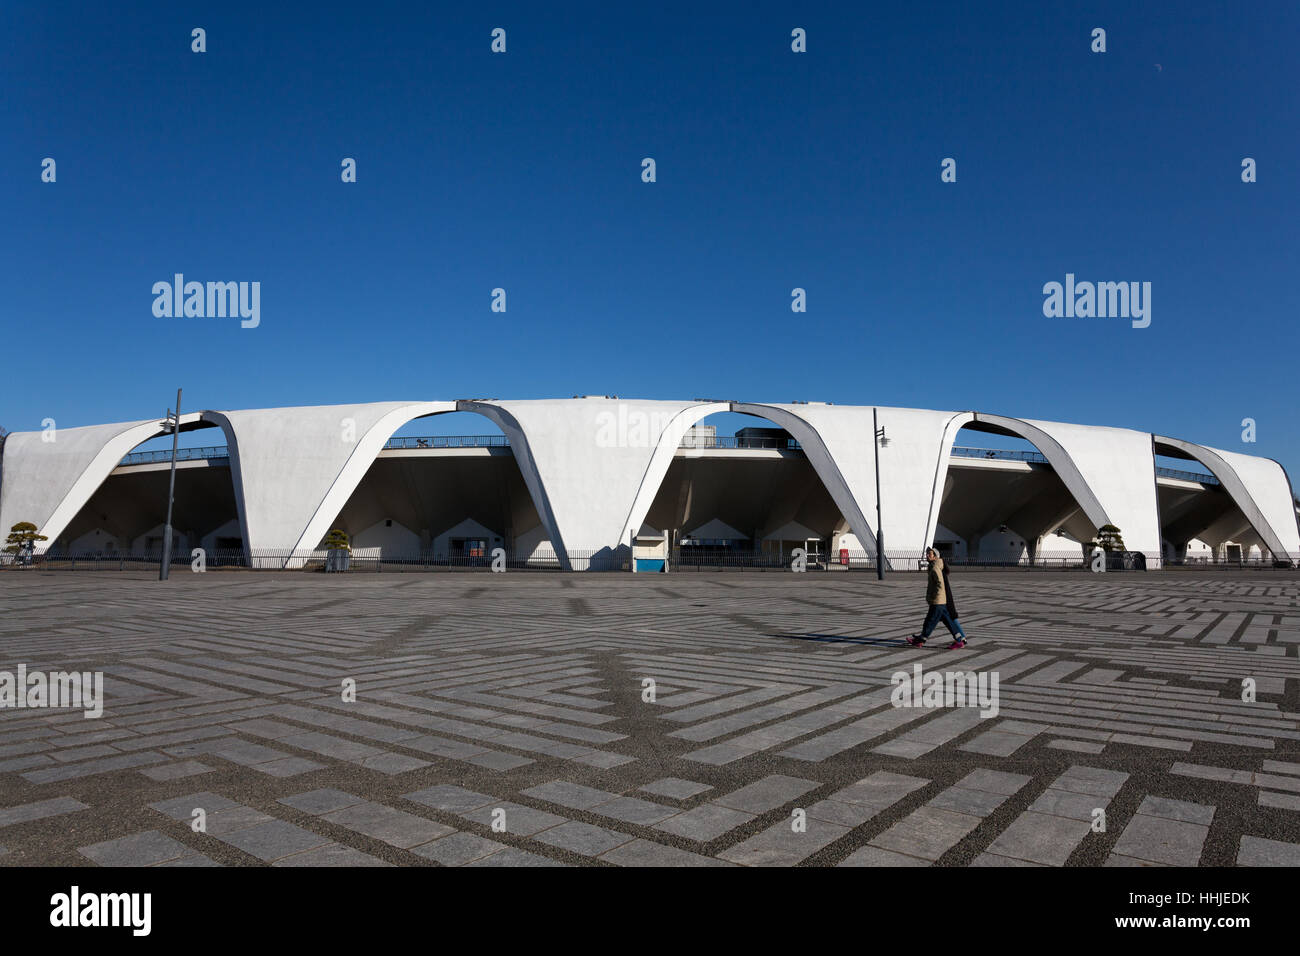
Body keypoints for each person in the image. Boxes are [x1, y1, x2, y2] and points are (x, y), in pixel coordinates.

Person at [906, 546, 967, 648]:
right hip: (940, 601)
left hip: (938, 601)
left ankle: (921, 640)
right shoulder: (934, 566)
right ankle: (959, 640)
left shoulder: (935, 567)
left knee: (930, 621)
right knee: (948, 622)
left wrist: (935, 596)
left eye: (929, 554)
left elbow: (940, 583)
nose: (927, 556)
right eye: (927, 554)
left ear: (935, 557)